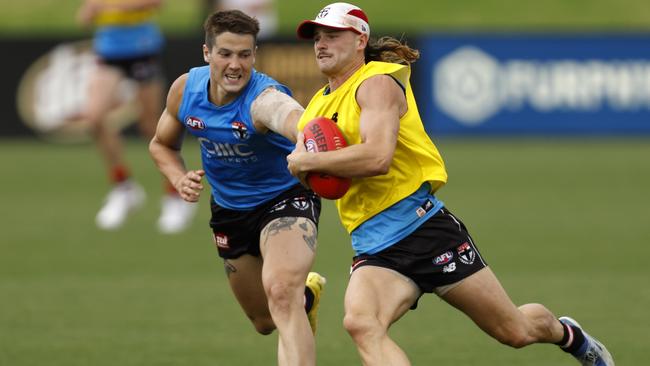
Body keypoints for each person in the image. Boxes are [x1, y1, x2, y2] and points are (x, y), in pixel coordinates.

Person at [288, 3, 615, 366]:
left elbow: (378, 157)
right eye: (317, 37)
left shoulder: (376, 83)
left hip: (424, 228)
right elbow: (312, 170)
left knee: (515, 331)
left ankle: (569, 334)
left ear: (360, 39)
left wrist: (310, 161)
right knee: (361, 324)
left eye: (333, 36)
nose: (321, 44)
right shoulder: (315, 107)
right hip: (372, 244)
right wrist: (302, 165)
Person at [148, 10, 326, 366]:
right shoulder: (185, 90)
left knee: (280, 292)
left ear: (254, 55)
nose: (235, 65)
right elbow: (161, 145)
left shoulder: (264, 99)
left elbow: (295, 121)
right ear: (206, 53)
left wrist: (310, 139)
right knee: (263, 321)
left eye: (245, 54)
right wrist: (178, 177)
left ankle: (293, 297)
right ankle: (307, 297)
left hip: (285, 200)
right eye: (226, 53)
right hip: (230, 210)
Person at [77, 0, 197, 233]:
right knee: (94, 117)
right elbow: (86, 14)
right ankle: (123, 187)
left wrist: (110, 6)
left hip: (142, 49)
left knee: (152, 127)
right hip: (108, 50)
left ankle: (176, 193)